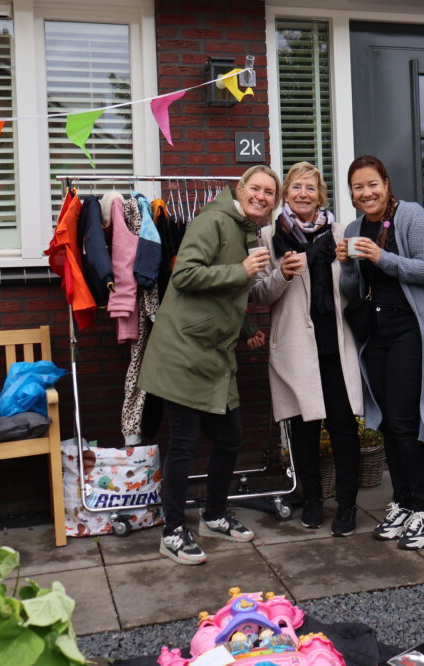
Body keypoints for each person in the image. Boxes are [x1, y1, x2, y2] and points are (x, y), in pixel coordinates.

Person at [139, 165, 280, 565]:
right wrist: (241, 270)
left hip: (215, 353)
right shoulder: (212, 220)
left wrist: (246, 328)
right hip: (183, 351)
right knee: (183, 443)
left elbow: (225, 295)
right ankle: (172, 532)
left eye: (269, 192)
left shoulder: (246, 229)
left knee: (229, 437)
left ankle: (214, 515)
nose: (261, 196)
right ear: (241, 188)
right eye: (256, 188)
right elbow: (184, 275)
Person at [337, 155, 424, 550]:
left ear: (386, 183)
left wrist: (380, 257)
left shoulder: (411, 215)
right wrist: (347, 265)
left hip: (409, 330)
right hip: (375, 334)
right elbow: (351, 289)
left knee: (405, 421)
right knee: (385, 421)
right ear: (351, 193)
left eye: (373, 184)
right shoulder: (354, 228)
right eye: (358, 187)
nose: (366, 192)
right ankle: (403, 502)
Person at [251, 162, 364, 536]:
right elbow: (258, 294)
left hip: (336, 344)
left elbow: (356, 286)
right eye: (297, 187)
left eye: (310, 188)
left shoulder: (341, 234)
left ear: (320, 196)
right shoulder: (269, 237)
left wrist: (350, 266)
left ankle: (346, 504)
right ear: (286, 194)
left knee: (343, 426)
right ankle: (312, 500)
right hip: (297, 347)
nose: (303, 194)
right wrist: (283, 273)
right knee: (304, 428)